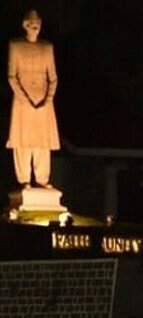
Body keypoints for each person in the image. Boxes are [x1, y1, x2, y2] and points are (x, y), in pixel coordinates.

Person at [6, 9, 60, 189]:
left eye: (37, 23)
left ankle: (42, 178)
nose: (34, 26)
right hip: (23, 102)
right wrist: (24, 99)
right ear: (25, 25)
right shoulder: (15, 45)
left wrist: (48, 98)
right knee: (22, 140)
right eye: (31, 23)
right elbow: (11, 76)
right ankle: (24, 179)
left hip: (44, 101)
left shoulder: (47, 47)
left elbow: (53, 77)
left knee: (42, 143)